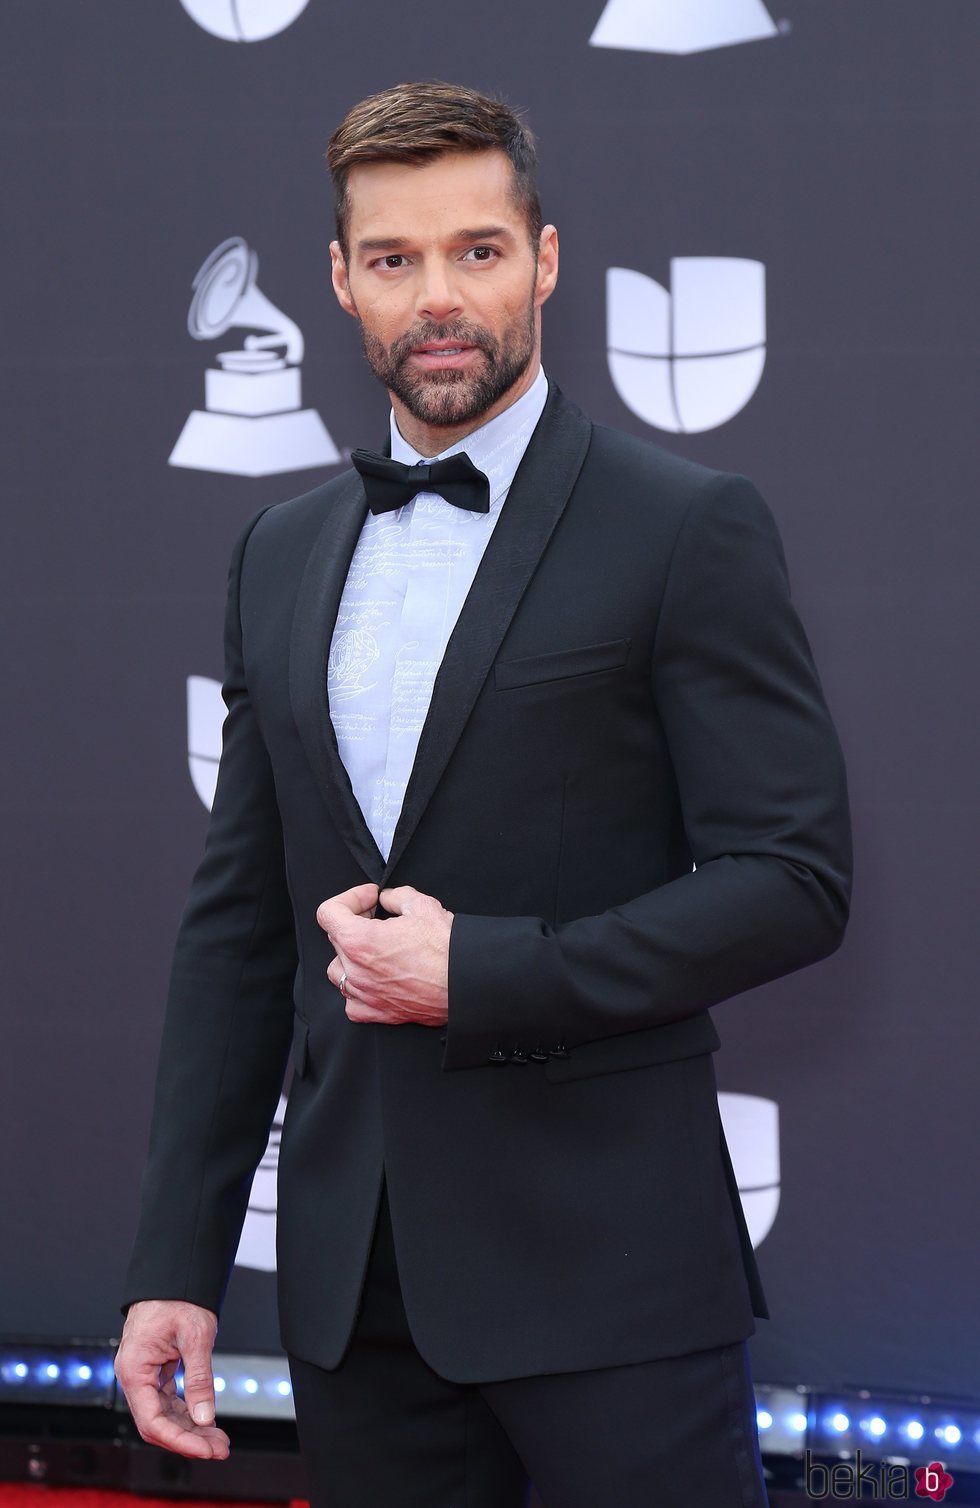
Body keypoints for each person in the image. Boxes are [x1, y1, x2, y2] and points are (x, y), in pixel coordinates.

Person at [115, 80, 851, 1508]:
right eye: (394, 260)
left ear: (547, 259)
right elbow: (236, 940)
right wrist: (173, 1266)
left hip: (612, 1283)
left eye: (478, 250)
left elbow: (795, 880)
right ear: (340, 281)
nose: (439, 298)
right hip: (353, 1295)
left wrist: (486, 971)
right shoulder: (275, 552)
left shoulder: (686, 526)